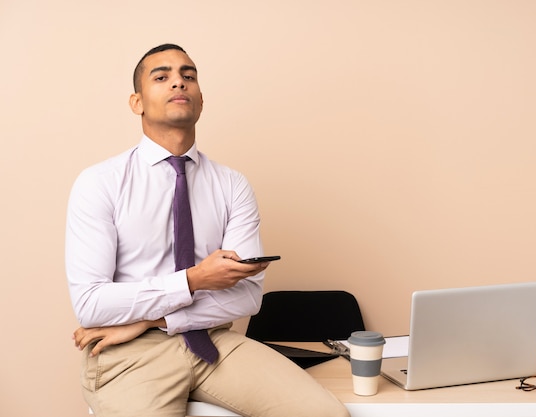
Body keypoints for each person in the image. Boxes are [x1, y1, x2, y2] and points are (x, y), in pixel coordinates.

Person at [66, 43, 350, 417]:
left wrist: (153, 319)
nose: (179, 83)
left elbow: (248, 298)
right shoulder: (99, 183)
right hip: (128, 353)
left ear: (201, 101)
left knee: (326, 414)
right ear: (137, 102)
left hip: (214, 340)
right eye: (162, 76)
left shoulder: (232, 185)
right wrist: (196, 279)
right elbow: (90, 305)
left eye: (189, 76)